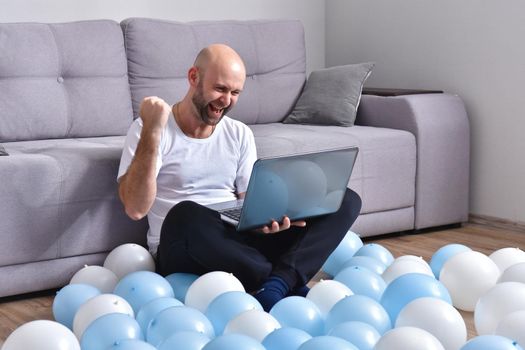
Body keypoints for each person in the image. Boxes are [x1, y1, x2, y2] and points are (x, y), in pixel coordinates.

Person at [117, 44, 362, 311]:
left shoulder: (239, 133)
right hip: (184, 244)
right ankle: (286, 277)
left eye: (235, 93)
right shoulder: (148, 128)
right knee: (186, 213)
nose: (226, 100)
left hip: (237, 241)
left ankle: (277, 283)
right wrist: (153, 129)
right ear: (193, 77)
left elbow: (247, 201)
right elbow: (135, 207)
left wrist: (262, 220)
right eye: (220, 89)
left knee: (344, 199)